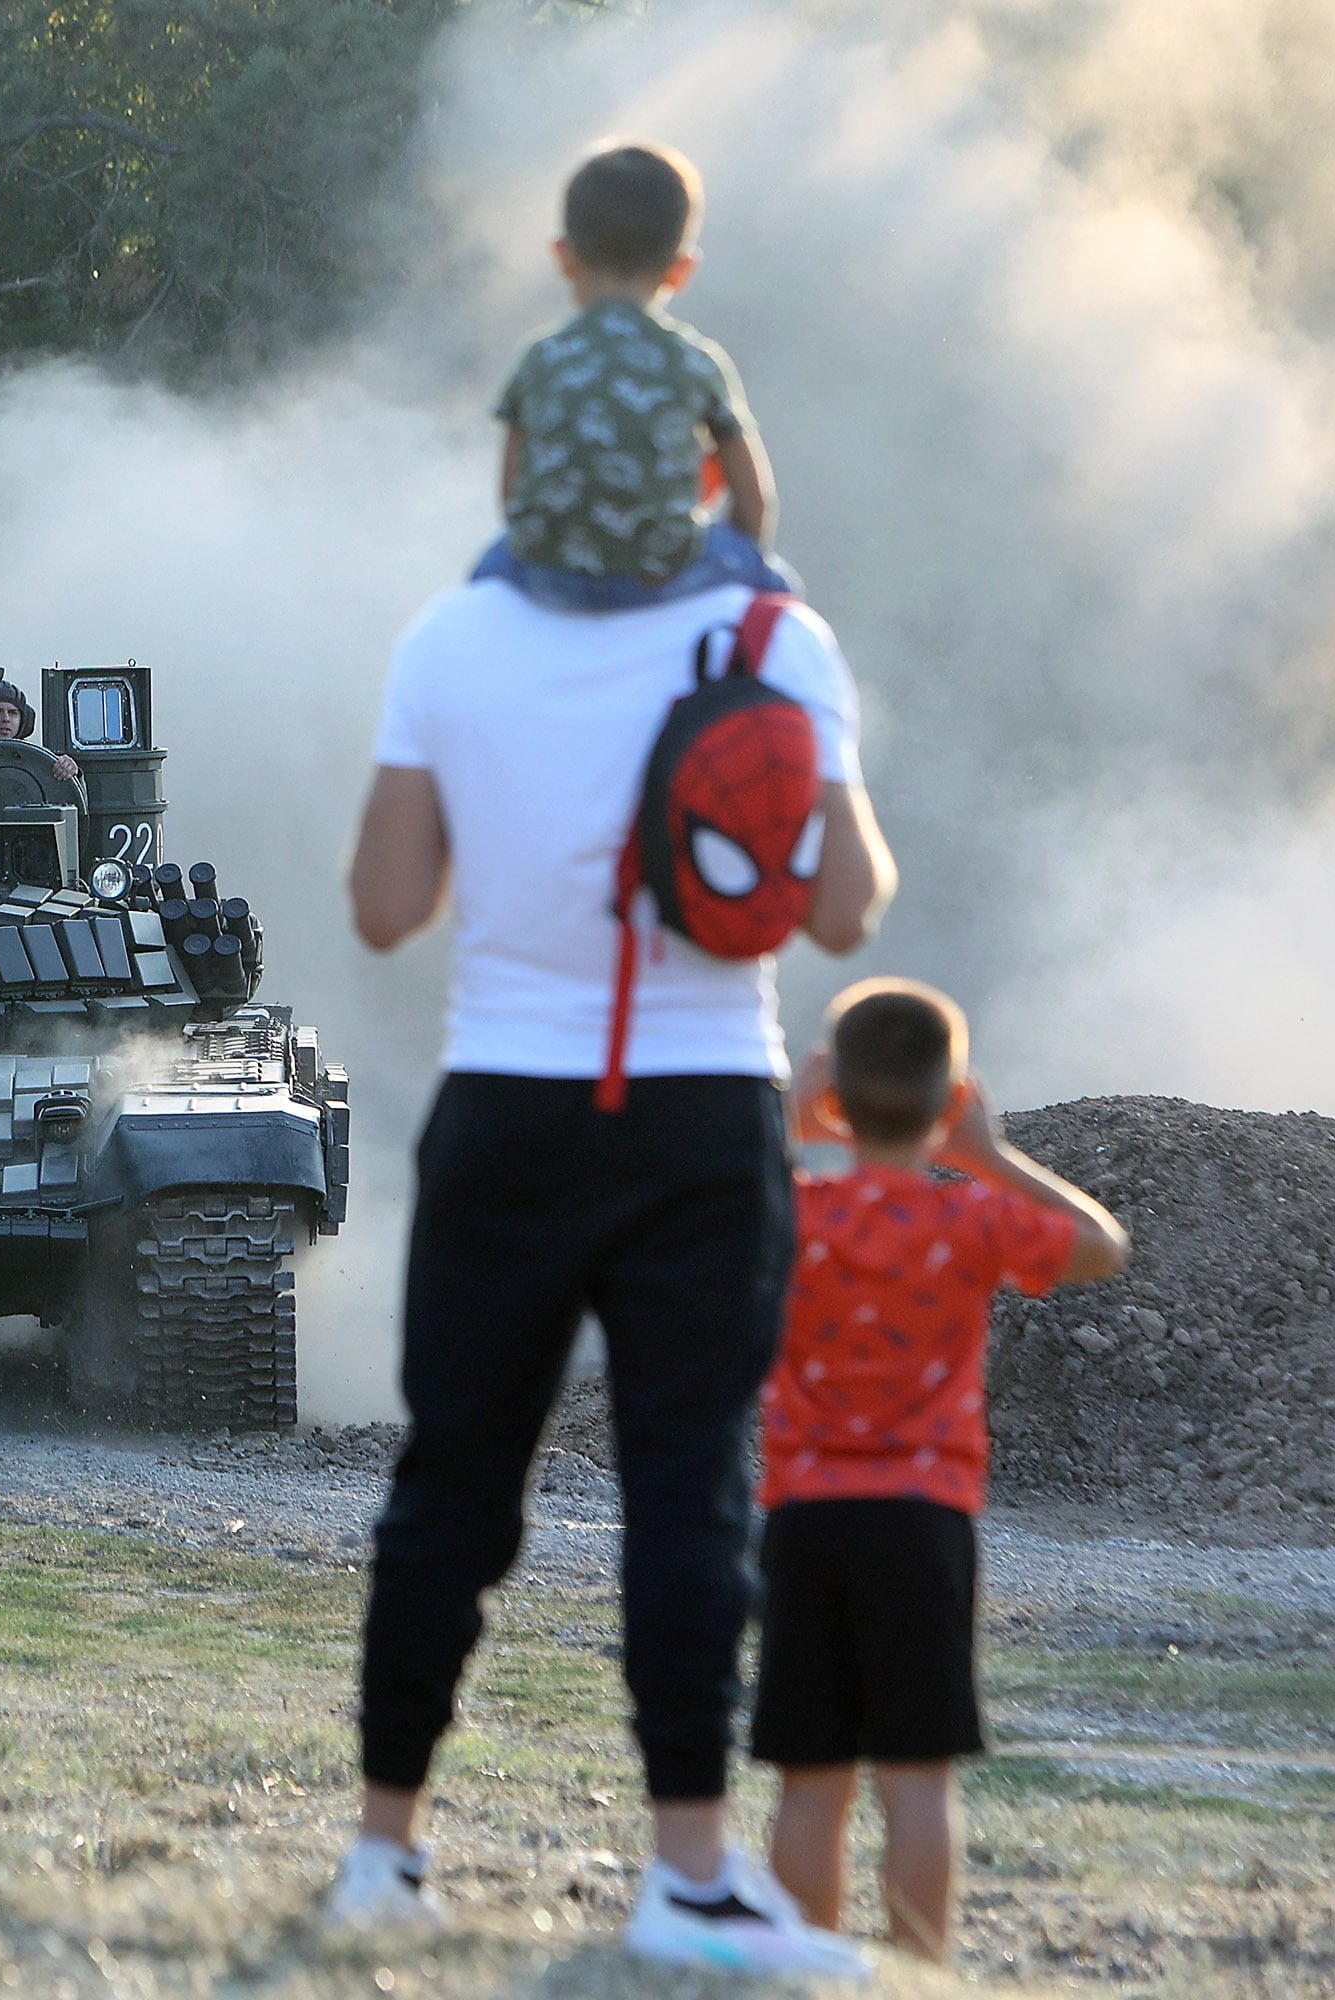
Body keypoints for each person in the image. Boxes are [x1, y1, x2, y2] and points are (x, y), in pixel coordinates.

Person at [333, 560, 896, 1974]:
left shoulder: (453, 634)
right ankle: (689, 1877)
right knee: (690, 1485)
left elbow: (387, 906)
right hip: (702, 1109)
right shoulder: (780, 638)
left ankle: (383, 1851)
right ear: (707, 471)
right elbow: (845, 912)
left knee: (452, 1476)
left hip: (510, 1099)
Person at [754, 980, 1129, 1965]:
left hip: (806, 1521)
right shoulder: (971, 1221)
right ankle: (919, 1970)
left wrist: (793, 1127)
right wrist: (990, 1155)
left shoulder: (789, 1214)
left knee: (811, 1780)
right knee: (918, 1779)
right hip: (924, 1522)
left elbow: (699, 1207)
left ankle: (806, 1968)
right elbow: (1104, 1245)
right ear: (951, 1095)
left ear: (834, 1095)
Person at [478, 142, 792, 613]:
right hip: (662, 579)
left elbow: (511, 495)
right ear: (681, 270)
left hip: (550, 577)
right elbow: (754, 505)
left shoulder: (540, 357)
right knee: (778, 587)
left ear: (563, 256)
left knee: (486, 569)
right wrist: (733, 566)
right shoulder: (697, 362)